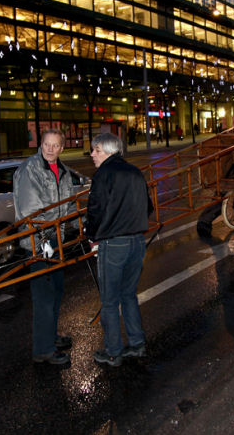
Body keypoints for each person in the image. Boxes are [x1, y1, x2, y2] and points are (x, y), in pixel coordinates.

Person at [86, 132, 153, 367]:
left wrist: (90, 234)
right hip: (137, 241)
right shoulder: (134, 172)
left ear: (107, 151)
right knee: (129, 295)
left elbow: (95, 209)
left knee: (110, 300)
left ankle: (113, 351)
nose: (92, 154)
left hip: (113, 243)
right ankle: (137, 344)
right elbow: (149, 207)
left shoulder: (103, 174)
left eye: (95, 150)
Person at [13, 128, 76, 365]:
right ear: (41, 145)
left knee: (56, 290)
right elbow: (31, 211)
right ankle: (43, 349)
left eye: (55, 145)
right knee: (43, 296)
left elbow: (67, 205)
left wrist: (79, 224)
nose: (50, 149)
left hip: (56, 239)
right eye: (46, 144)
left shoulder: (63, 172)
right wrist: (42, 243)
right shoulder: (31, 170)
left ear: (62, 148)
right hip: (39, 240)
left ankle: (50, 335)